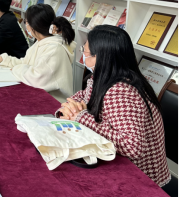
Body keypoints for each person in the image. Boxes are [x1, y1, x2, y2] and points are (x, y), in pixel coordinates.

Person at [56, 25, 170, 188]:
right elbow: (84, 95)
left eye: (85, 52)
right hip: (118, 162)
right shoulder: (105, 76)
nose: (83, 55)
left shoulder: (121, 91)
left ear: (100, 57)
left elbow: (133, 147)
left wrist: (80, 117)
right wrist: (70, 108)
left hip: (142, 179)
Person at [0, 7, 76, 102]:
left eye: (26, 22)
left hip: (54, 102)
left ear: (34, 25)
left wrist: (15, 69)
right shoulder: (41, 42)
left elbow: (37, 78)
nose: (25, 25)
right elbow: (26, 63)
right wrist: (5, 60)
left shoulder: (54, 49)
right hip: (39, 96)